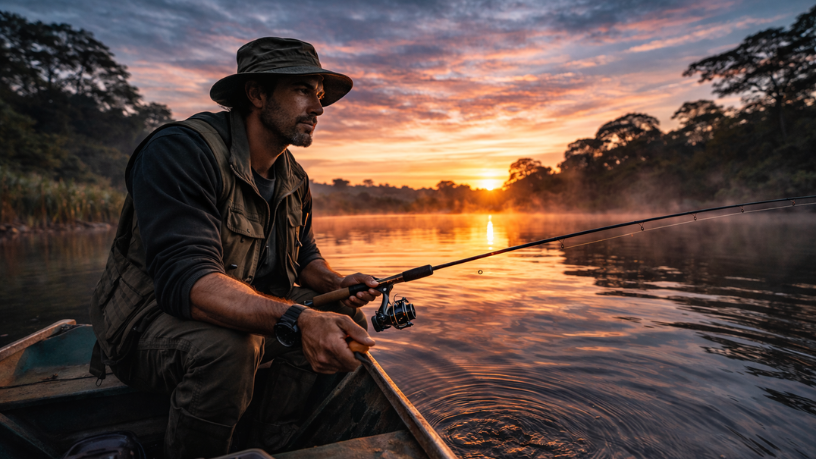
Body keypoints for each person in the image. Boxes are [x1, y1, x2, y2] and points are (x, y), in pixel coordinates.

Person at [88, 37, 381, 458]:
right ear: (257, 94)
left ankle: (269, 437)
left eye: (319, 96)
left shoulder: (294, 177)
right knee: (230, 347)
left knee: (338, 312)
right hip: (146, 325)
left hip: (233, 308)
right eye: (303, 91)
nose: (319, 108)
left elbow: (305, 259)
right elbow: (189, 282)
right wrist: (299, 320)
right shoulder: (181, 151)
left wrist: (339, 282)